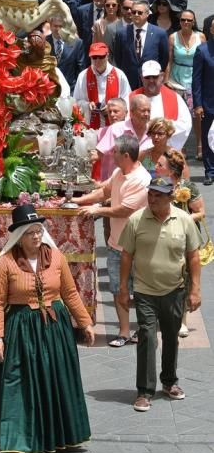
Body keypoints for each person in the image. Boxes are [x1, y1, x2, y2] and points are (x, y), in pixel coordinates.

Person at [0, 203, 94, 453]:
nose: (36, 236)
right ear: (19, 235)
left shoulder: (56, 258)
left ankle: (59, 435)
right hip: (21, 329)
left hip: (55, 329)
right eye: (30, 232)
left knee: (55, 379)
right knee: (19, 382)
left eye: (39, 230)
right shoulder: (5, 263)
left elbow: (70, 293)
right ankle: (15, 442)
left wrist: (84, 322)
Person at [118, 176, 201, 412]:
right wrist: (123, 288)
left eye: (158, 195)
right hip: (144, 290)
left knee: (171, 337)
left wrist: (195, 289)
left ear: (170, 197)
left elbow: (193, 257)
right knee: (147, 336)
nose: (152, 199)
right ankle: (144, 390)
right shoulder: (136, 220)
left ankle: (169, 381)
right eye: (150, 194)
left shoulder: (184, 220)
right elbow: (126, 255)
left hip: (175, 290)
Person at [78, 135, 151, 347]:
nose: (112, 155)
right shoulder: (120, 172)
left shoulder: (141, 179)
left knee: (141, 291)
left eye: (115, 152)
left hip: (137, 247)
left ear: (126, 155)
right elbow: (105, 191)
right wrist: (78, 200)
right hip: (116, 243)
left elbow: (125, 210)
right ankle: (124, 331)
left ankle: (144, 329)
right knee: (119, 289)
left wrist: (96, 210)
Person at [154, 148, 205, 338]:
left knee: (183, 279)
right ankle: (163, 314)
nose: (156, 167)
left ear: (171, 171)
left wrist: (182, 218)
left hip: (184, 240)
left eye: (160, 165)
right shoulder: (156, 185)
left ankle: (182, 319)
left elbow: (201, 212)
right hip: (161, 238)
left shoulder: (188, 188)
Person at [167, 10, 205, 159]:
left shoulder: (200, 37)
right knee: (178, 115)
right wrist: (166, 80)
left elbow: (206, 57)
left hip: (195, 77)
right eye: (183, 20)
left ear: (194, 21)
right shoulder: (173, 37)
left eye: (189, 20)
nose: (186, 23)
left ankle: (199, 146)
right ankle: (179, 147)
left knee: (197, 114)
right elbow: (169, 60)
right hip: (177, 79)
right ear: (180, 21)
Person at [131, 60, 192, 151]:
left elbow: (185, 124)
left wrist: (163, 127)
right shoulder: (131, 98)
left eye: (155, 77)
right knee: (146, 163)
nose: (151, 80)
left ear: (162, 76)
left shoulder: (175, 98)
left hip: (166, 151)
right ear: (142, 78)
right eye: (147, 77)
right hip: (140, 152)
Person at [113, 0, 169, 90]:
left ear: (147, 14)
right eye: (134, 12)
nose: (136, 15)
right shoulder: (122, 33)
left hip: (150, 80)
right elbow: (118, 57)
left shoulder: (159, 33)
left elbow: (164, 58)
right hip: (129, 80)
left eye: (139, 13)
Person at [73, 42, 130, 129]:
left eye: (101, 57)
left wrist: (113, 108)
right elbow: (76, 101)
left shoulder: (119, 75)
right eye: (94, 57)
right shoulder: (83, 76)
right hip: (91, 129)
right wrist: (87, 106)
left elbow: (127, 100)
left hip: (114, 127)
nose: (97, 60)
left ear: (107, 56)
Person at [193, 27, 214, 185]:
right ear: (212, 30)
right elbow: (197, 80)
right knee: (208, 138)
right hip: (208, 102)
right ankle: (210, 171)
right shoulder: (202, 50)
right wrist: (198, 104)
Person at [45, 15, 85, 93]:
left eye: (61, 26)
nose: (58, 29)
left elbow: (81, 69)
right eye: (55, 26)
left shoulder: (76, 43)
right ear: (50, 26)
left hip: (70, 90)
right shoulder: (44, 42)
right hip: (49, 90)